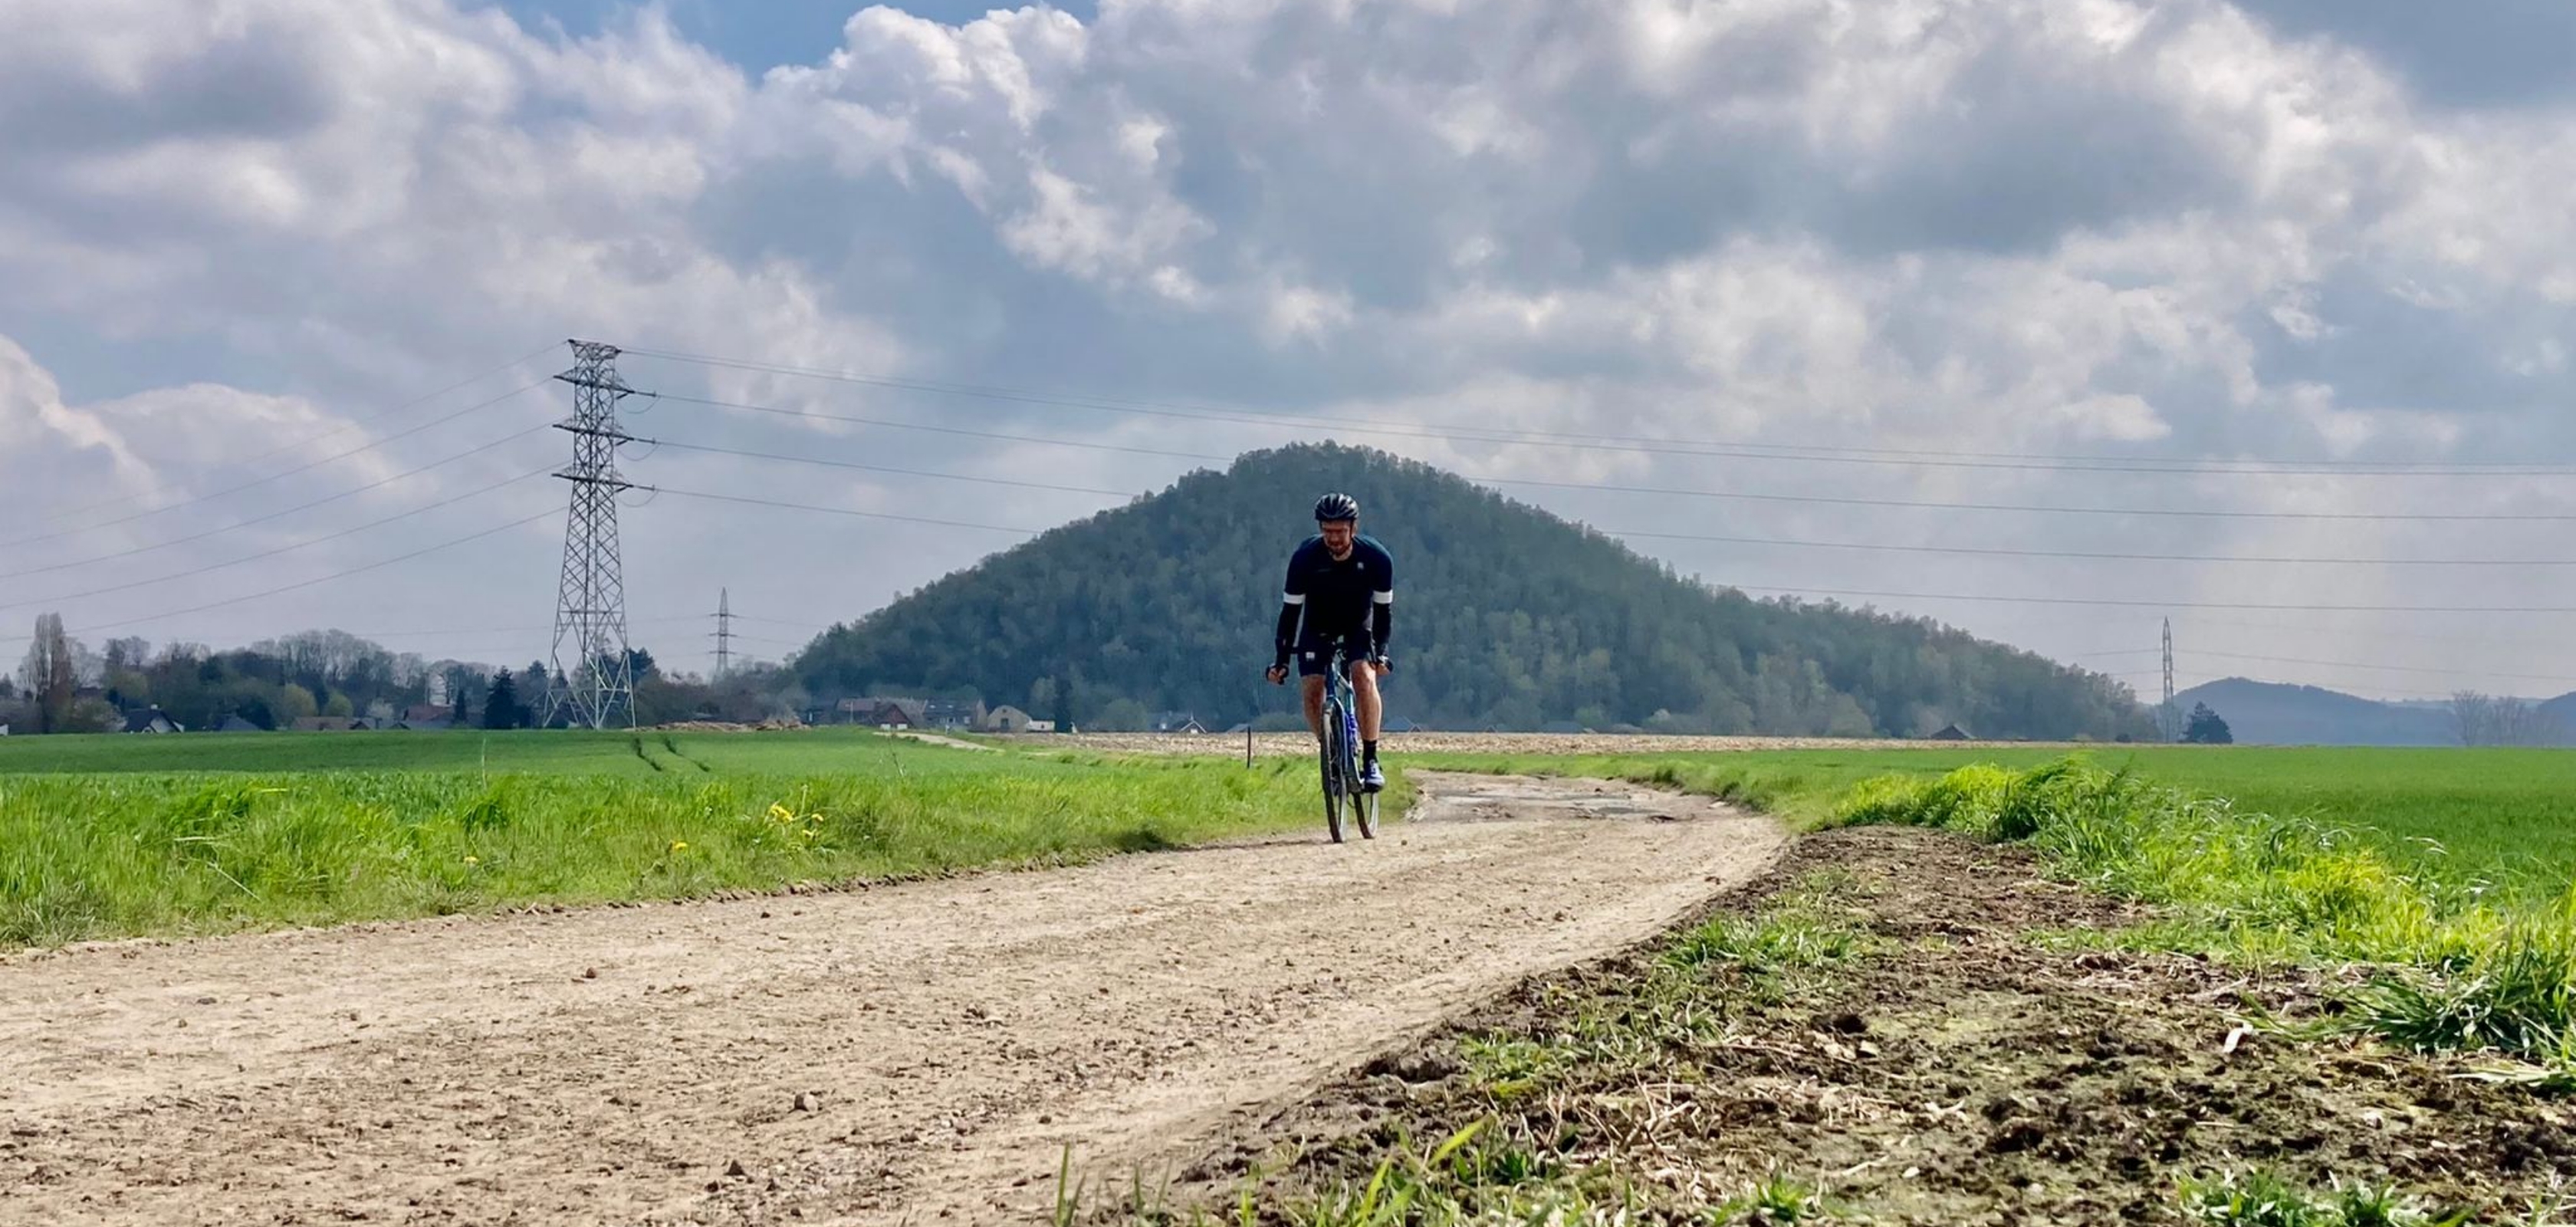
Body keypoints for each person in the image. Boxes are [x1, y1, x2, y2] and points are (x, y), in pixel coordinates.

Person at [1265, 492, 1393, 790]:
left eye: (1339, 531)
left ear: (1353, 528)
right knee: (1311, 689)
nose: (1333, 538)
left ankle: (1371, 759)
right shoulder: (1304, 559)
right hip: (1317, 625)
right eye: (1327, 531)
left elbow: (1384, 613)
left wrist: (1382, 653)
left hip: (1358, 625)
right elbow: (1290, 613)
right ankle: (1331, 752)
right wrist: (1281, 660)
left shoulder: (1376, 558)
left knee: (1364, 676)